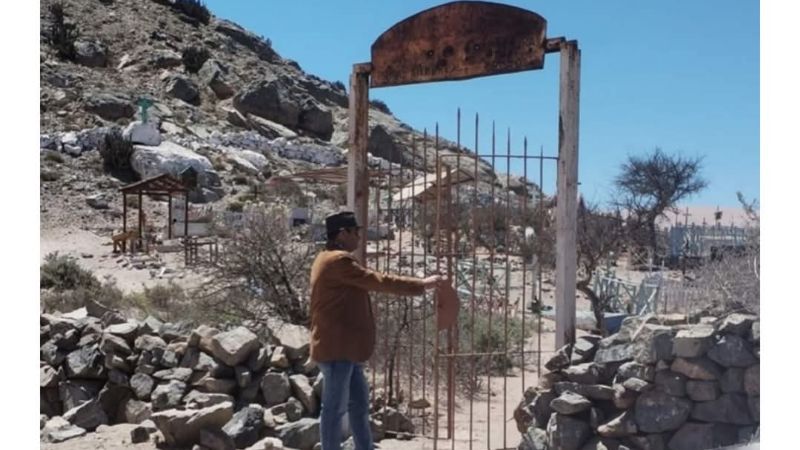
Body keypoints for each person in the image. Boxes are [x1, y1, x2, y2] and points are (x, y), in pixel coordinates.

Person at [310, 211, 445, 450]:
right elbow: (378, 280)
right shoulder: (338, 261)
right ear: (342, 233)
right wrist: (421, 285)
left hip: (346, 351)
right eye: (356, 232)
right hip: (338, 350)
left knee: (359, 406)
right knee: (334, 410)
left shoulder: (327, 258)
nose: (360, 237)